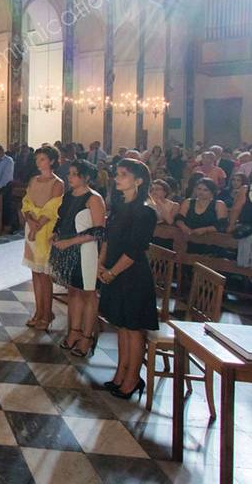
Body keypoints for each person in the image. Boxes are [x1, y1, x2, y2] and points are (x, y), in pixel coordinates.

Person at [98, 158, 158, 400]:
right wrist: (101, 265)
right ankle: (120, 373)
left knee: (133, 329)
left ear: (138, 180)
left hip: (133, 276)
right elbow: (108, 239)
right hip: (113, 271)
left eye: (123, 174)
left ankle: (133, 378)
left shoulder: (145, 210)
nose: (117, 178)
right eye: (117, 174)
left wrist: (112, 272)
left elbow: (135, 249)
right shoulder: (120, 206)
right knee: (121, 326)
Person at [50, 160, 106, 357]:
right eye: (70, 173)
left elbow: (98, 231)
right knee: (73, 292)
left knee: (88, 294)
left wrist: (70, 242)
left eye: (75, 174)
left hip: (86, 251)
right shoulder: (68, 196)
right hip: (68, 250)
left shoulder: (94, 199)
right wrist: (57, 234)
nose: (70, 177)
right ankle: (73, 332)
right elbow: (61, 219)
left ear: (86, 177)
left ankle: (86, 337)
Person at [21, 146, 64, 331]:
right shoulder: (33, 179)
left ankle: (47, 314)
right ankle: (38, 311)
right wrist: (30, 220)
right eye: (37, 159)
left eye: (43, 159)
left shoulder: (57, 183)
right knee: (35, 273)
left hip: (46, 228)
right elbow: (27, 202)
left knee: (45, 274)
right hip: (32, 226)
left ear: (52, 161)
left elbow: (53, 207)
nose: (39, 163)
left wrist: (38, 225)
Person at [175, 177, 229, 254]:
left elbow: (222, 225)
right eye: (199, 189)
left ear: (212, 192)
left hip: (211, 244)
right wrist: (183, 227)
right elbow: (179, 218)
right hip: (188, 240)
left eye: (205, 190)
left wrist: (205, 230)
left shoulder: (219, 204)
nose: (201, 192)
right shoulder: (188, 202)